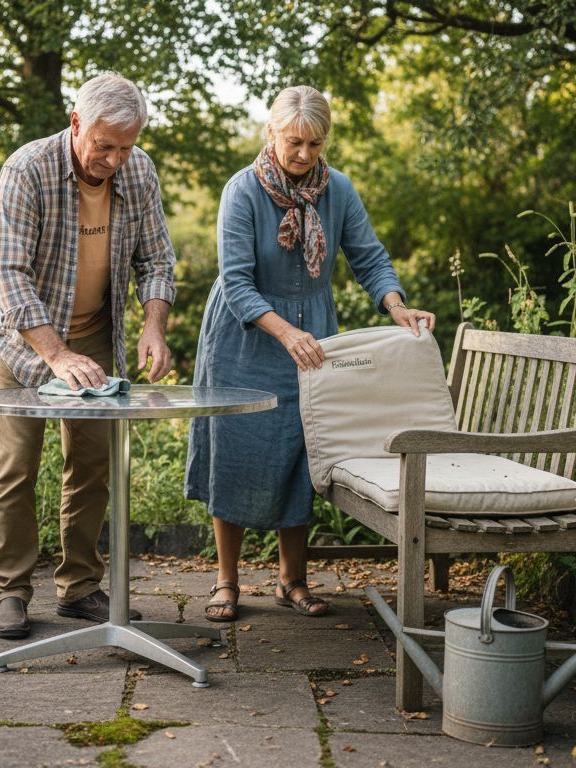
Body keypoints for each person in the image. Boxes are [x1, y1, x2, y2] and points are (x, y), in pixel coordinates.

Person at [185, 86, 436, 622]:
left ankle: (291, 580)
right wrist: (284, 332)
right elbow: (236, 281)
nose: (303, 153)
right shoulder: (242, 190)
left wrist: (396, 306)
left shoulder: (337, 189)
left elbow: (369, 257)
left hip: (314, 333)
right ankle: (226, 581)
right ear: (271, 133)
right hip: (245, 334)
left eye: (315, 144)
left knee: (304, 449)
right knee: (236, 449)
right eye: (294, 141)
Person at [0, 73, 176, 639]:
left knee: (92, 464)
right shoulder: (27, 169)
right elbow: (10, 275)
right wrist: (57, 354)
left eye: (126, 148)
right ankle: (11, 591)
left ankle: (80, 586)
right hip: (25, 339)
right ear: (75, 124)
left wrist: (154, 327)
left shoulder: (139, 171)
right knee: (16, 465)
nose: (114, 161)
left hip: (95, 335)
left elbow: (156, 260)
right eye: (104, 146)